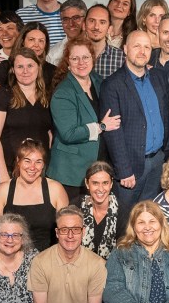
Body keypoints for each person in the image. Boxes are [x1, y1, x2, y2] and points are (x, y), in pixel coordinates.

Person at [100, 29, 169, 218]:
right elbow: (113, 131)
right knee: (125, 221)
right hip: (131, 168)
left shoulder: (158, 77)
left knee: (149, 219)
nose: (142, 51)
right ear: (125, 49)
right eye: (137, 46)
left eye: (147, 47)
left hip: (157, 162)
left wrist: (165, 154)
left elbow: (168, 114)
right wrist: (124, 170)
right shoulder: (112, 84)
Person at [48, 37, 120, 196]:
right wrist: (101, 127)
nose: (81, 62)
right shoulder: (63, 92)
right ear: (68, 62)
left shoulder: (98, 81)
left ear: (93, 59)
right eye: (75, 58)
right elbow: (68, 134)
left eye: (85, 57)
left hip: (97, 165)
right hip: (71, 172)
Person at [0, 47, 53, 182]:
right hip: (8, 170)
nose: (25, 71)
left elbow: (49, 133)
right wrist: (3, 174)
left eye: (30, 65)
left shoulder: (46, 96)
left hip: (36, 171)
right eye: (20, 66)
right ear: (13, 69)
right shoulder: (4, 94)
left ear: (38, 67)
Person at [0, 139, 70, 249]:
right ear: (18, 161)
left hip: (47, 257)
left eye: (38, 162)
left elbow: (65, 232)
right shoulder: (3, 190)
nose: (32, 167)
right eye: (27, 161)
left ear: (43, 165)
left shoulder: (55, 189)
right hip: (12, 256)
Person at [73, 161, 121, 260]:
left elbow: (124, 251)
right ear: (87, 183)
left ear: (111, 184)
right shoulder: (76, 206)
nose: (100, 189)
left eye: (105, 183)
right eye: (95, 183)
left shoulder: (122, 211)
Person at [0, 21, 57, 88]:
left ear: (45, 44)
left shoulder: (53, 71)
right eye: (31, 39)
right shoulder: (5, 67)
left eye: (41, 41)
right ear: (22, 41)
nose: (36, 45)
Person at [85, 4, 125, 79]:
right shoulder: (73, 56)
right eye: (92, 21)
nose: (96, 27)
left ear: (109, 28)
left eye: (102, 22)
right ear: (84, 25)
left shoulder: (122, 58)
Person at [47, 0, 87, 66]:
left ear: (85, 19)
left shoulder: (97, 47)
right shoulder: (52, 54)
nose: (71, 24)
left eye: (76, 18)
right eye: (65, 19)